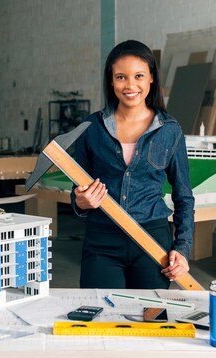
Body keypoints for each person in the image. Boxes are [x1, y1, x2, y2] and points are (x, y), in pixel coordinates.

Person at [71, 40, 195, 289]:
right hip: (102, 239)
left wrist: (182, 249)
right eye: (121, 77)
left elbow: (184, 196)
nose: (130, 85)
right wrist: (82, 202)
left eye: (139, 75)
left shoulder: (169, 130)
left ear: (151, 78)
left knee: (150, 322)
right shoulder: (91, 128)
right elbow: (77, 191)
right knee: (102, 321)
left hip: (152, 240)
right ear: (111, 81)